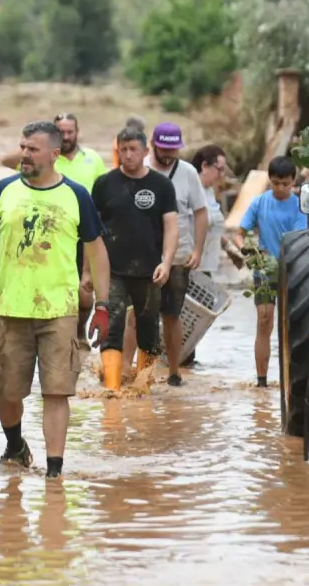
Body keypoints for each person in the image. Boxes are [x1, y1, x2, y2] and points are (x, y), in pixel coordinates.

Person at [0, 121, 111, 480]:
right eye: (23, 147)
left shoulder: (77, 195)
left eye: (32, 149)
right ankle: (15, 444)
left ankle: (54, 472)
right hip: (10, 307)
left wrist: (102, 306)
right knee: (7, 390)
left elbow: (97, 251)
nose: (25, 155)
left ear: (54, 154)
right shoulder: (4, 190)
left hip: (59, 310)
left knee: (56, 391)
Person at [0, 113, 108, 343]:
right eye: (62, 132)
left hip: (83, 228)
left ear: (77, 132)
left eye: (70, 132)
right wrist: (31, 148)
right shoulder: (39, 159)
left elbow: (104, 193)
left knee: (85, 291)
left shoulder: (92, 159)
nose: (67, 136)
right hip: (49, 229)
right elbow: (6, 161)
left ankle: (79, 332)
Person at [91, 127, 178, 392]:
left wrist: (166, 262)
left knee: (148, 329)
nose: (128, 155)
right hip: (111, 270)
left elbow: (171, 227)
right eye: (123, 150)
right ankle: (112, 389)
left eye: (133, 150)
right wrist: (87, 271)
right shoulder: (104, 184)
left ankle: (143, 387)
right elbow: (91, 232)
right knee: (112, 325)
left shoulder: (162, 185)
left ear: (145, 151)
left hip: (149, 270)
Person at [139, 122, 207, 387]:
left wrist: (197, 249)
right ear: (153, 146)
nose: (168, 155)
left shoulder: (188, 173)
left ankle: (174, 371)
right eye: (164, 149)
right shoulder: (141, 168)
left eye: (173, 150)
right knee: (139, 315)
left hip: (179, 256)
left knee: (172, 314)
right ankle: (139, 372)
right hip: (145, 256)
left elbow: (200, 212)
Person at [235, 156, 308, 388]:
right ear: (270, 180)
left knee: (291, 324)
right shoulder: (259, 202)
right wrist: (248, 251)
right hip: (264, 269)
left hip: (292, 270)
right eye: (276, 183)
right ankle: (262, 381)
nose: (280, 188)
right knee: (264, 320)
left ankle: (292, 380)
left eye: (285, 184)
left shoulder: (299, 206)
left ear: (293, 182)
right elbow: (239, 234)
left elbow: (298, 240)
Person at [188, 144, 232, 368]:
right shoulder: (190, 188)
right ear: (204, 166)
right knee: (189, 316)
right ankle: (179, 361)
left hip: (207, 264)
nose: (221, 175)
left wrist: (229, 247)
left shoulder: (208, 191)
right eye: (219, 169)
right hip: (192, 264)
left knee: (198, 315)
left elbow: (212, 224)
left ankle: (187, 361)